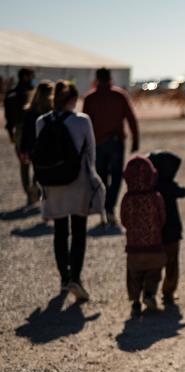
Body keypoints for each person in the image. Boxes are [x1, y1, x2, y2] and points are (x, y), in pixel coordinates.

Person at [34, 81, 105, 301]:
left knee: (60, 231)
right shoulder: (82, 121)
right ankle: (75, 277)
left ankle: (64, 278)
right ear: (73, 99)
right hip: (78, 182)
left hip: (52, 184)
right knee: (79, 231)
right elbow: (91, 155)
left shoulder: (41, 121)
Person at [82, 67, 141, 227]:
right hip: (116, 143)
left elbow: (85, 125)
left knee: (101, 177)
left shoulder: (90, 98)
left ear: (96, 79)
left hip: (98, 143)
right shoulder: (119, 95)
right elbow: (131, 118)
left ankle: (103, 209)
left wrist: (85, 145)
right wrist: (135, 139)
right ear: (110, 78)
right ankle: (110, 208)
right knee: (116, 177)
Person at [120, 156, 166, 316]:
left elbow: (124, 220)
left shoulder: (127, 199)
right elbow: (162, 218)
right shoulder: (155, 197)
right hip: (154, 244)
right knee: (154, 272)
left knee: (134, 275)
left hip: (133, 247)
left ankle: (135, 302)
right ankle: (149, 294)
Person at [148, 151, 185, 305]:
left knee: (154, 264)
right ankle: (168, 292)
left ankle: (150, 291)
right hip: (172, 231)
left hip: (155, 232)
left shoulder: (152, 185)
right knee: (172, 264)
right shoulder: (170, 186)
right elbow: (183, 192)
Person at [17, 80, 54, 206]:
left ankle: (31, 191)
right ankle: (37, 191)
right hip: (46, 148)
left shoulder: (30, 111)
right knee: (40, 172)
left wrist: (22, 150)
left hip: (32, 146)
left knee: (30, 170)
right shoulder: (51, 112)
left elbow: (25, 132)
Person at [4, 67, 35, 202]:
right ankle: (35, 190)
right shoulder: (31, 93)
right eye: (31, 76)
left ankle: (29, 193)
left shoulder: (10, 94)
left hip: (18, 131)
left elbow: (8, 117)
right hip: (32, 130)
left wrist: (11, 133)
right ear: (25, 77)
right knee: (37, 161)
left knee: (24, 164)